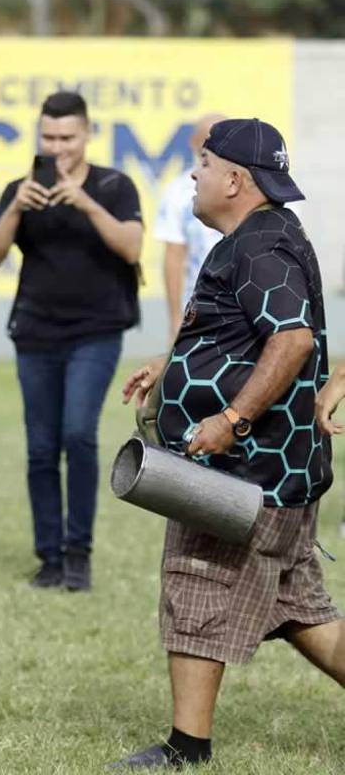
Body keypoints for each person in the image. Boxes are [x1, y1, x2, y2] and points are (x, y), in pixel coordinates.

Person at [116, 118, 343, 770]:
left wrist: (233, 419)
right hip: (275, 470)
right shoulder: (253, 238)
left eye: (206, 164)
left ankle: (186, 749)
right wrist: (171, 362)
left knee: (197, 586)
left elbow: (292, 339)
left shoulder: (262, 246)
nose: (195, 174)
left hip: (247, 470)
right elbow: (240, 332)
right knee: (302, 610)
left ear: (236, 179)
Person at [0, 90, 144, 591]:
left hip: (96, 331)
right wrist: (15, 208)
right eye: (49, 138)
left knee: (78, 433)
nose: (58, 148)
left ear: (87, 134)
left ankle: (79, 552)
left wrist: (85, 202)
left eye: (68, 138)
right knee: (40, 447)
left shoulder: (115, 186)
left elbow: (132, 246)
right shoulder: (21, 187)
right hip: (35, 332)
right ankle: (49, 556)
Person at [156, 113, 225, 342]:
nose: (213, 144)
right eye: (206, 137)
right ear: (193, 142)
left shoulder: (251, 184)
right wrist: (175, 318)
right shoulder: (178, 191)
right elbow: (174, 257)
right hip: (198, 308)